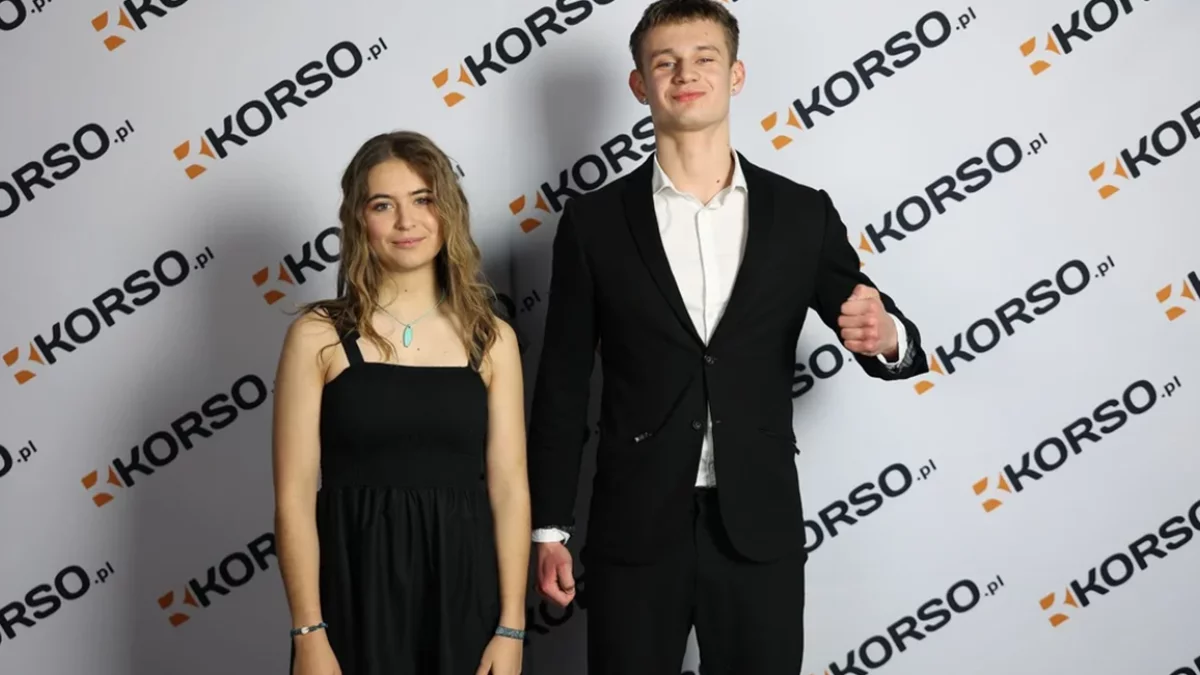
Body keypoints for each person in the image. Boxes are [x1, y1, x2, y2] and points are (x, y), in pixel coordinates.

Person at [526, 1, 930, 673]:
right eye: (666, 63)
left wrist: (887, 333)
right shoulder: (593, 224)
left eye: (704, 58)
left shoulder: (801, 213)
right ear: (640, 85)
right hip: (633, 530)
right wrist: (549, 528)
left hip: (759, 529)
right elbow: (562, 387)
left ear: (736, 75)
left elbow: (875, 322)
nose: (686, 74)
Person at [271, 131, 530, 675]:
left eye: (423, 199)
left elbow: (509, 490)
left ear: (447, 211)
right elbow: (294, 496)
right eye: (383, 205)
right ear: (358, 220)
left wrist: (511, 629)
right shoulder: (318, 335)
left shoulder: (492, 339)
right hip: (352, 595)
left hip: (464, 596)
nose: (406, 221)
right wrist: (308, 631)